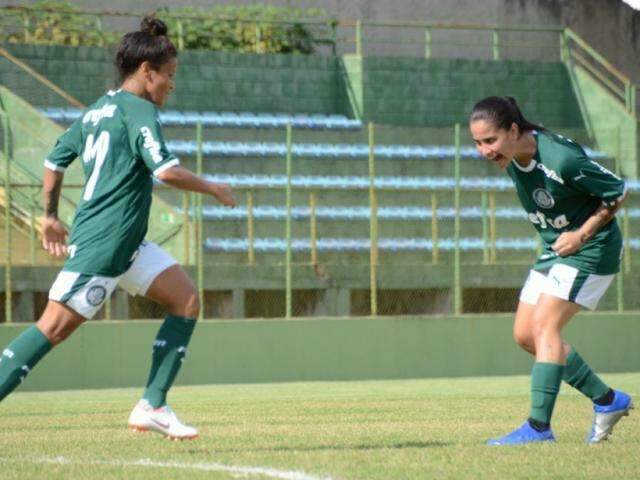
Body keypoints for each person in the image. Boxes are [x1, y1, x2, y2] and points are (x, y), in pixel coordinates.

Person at [0, 16, 236, 440]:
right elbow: (165, 171)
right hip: (105, 243)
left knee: (185, 299)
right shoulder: (139, 110)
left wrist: (50, 215)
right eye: (169, 75)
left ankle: (153, 405)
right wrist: (213, 188)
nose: (171, 84)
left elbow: (54, 161)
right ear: (147, 72)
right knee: (51, 328)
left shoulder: (96, 111)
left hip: (127, 242)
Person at [469, 96, 633, 445]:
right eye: (478, 143)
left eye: (490, 140)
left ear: (513, 130)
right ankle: (608, 401)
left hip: (589, 250)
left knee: (545, 326)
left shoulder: (562, 159)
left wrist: (581, 234)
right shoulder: (513, 156)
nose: (484, 150)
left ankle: (538, 428)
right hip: (555, 251)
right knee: (526, 335)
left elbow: (618, 191)